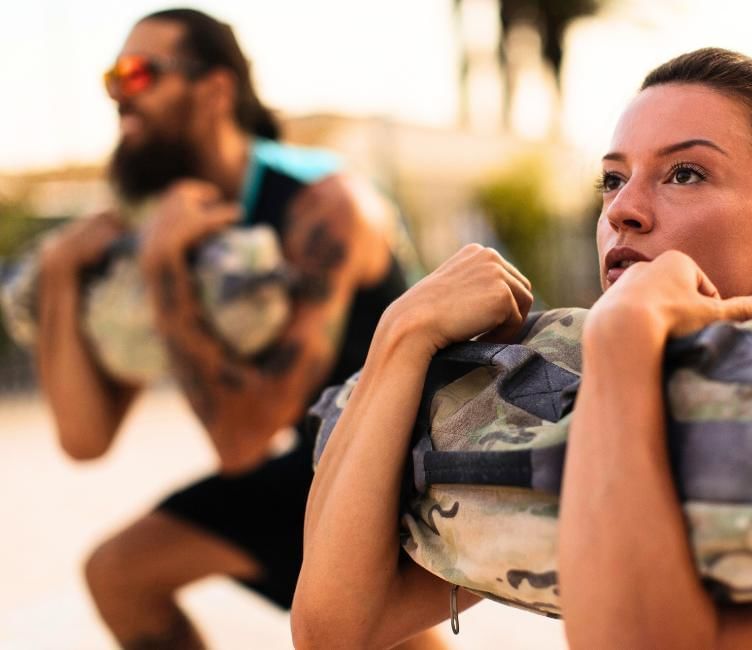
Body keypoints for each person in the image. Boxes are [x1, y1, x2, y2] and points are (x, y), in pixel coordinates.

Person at [291, 48, 752, 648]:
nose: (623, 211)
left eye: (685, 175)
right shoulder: (603, 401)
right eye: (612, 180)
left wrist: (623, 340)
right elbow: (337, 629)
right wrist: (402, 335)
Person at [34, 8, 444, 649]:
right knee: (121, 575)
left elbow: (241, 441)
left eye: (139, 73)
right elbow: (85, 437)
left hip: (407, 470)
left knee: (126, 573)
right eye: (112, 78)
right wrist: (60, 275)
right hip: (319, 466)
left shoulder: (322, 204)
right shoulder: (164, 217)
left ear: (215, 90)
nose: (119, 95)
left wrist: (165, 268)